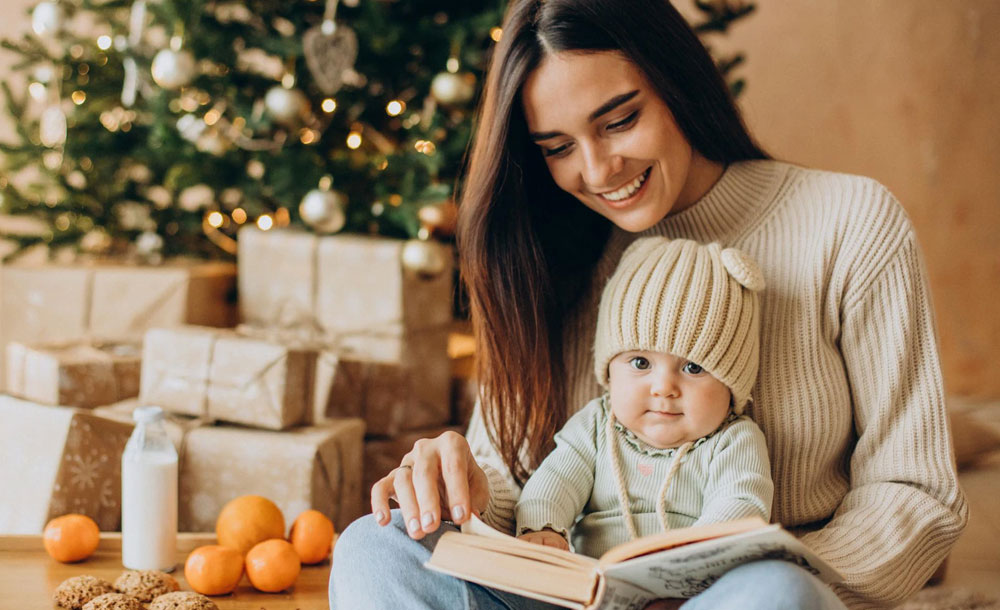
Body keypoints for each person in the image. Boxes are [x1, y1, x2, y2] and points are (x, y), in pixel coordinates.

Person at [331, 0, 968, 608]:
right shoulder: (552, 250)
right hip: (574, 593)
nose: (599, 169)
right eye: (557, 148)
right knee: (373, 548)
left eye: (619, 120)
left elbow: (915, 491)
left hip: (750, 594)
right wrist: (462, 480)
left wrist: (732, 576)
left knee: (776, 596)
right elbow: (512, 476)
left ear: (675, 81)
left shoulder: (849, 225)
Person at [516, 237, 773, 559]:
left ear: (732, 385)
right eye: (641, 363)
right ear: (609, 375)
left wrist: (695, 555)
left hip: (689, 582)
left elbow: (741, 502)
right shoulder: (596, 425)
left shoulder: (733, 441)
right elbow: (557, 479)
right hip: (588, 579)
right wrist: (543, 528)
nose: (663, 388)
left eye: (693, 368)